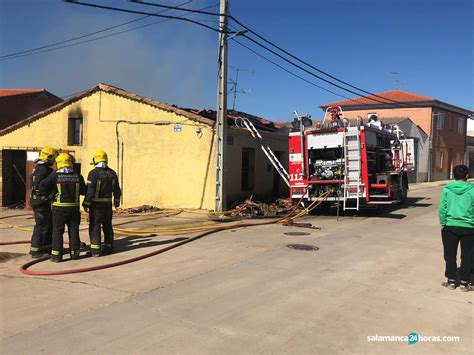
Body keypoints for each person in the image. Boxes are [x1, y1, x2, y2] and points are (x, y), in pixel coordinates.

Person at [39, 153, 86, 262]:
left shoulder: (55, 175)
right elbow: (84, 191)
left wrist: (49, 195)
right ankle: (75, 254)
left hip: (59, 208)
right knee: (74, 230)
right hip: (73, 208)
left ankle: (56, 256)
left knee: (57, 231)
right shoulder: (78, 176)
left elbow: (42, 185)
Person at [438, 165, 474, 291]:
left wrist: (443, 224)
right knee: (468, 255)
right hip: (469, 227)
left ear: (453, 175)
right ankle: (465, 283)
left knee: (449, 255)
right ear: (467, 176)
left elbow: (442, 208)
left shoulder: (447, 189)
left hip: (450, 226)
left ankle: (451, 281)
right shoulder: (472, 190)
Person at [82, 150, 121, 257]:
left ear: (95, 160)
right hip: (108, 205)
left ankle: (95, 250)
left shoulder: (93, 173)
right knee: (107, 225)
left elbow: (90, 192)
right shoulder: (112, 173)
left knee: (95, 226)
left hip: (96, 206)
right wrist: (116, 202)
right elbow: (117, 189)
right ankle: (109, 247)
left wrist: (86, 204)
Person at [29, 147, 58, 258]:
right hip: (41, 202)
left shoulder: (38, 168)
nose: (54, 161)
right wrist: (50, 195)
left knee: (48, 224)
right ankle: (36, 251)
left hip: (39, 201)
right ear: (49, 157)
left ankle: (47, 247)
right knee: (42, 225)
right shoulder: (44, 169)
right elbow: (40, 186)